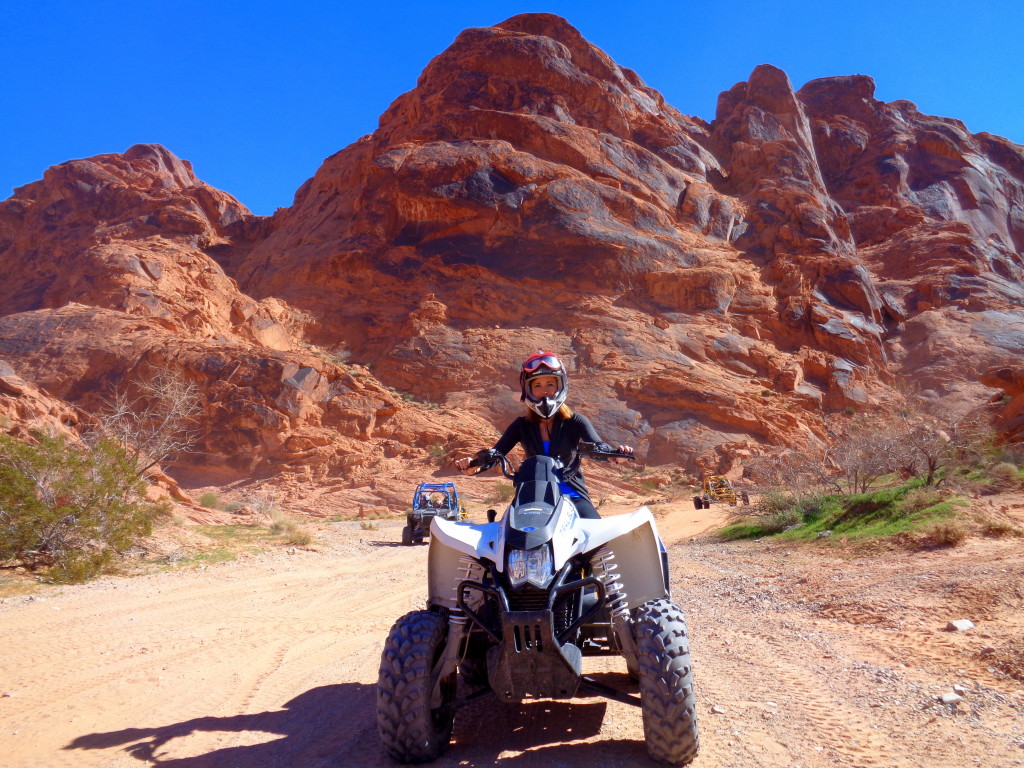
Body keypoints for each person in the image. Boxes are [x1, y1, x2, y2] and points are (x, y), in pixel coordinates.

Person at [454, 350, 633, 519]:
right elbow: (496, 453)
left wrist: (616, 455)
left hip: (571, 492)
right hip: (531, 494)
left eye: (550, 384)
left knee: (596, 534)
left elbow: (599, 447)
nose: (544, 390)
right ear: (528, 390)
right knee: (508, 537)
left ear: (560, 386)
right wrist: (475, 466)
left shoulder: (575, 421)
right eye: (537, 385)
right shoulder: (521, 425)